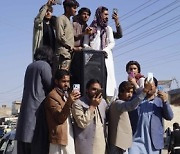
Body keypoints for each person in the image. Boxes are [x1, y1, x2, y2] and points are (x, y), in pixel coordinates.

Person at [15, 46, 53, 154]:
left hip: (25, 119)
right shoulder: (44, 66)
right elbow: (50, 85)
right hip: (37, 112)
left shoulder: (30, 66)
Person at [128, 77, 174, 154]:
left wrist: (165, 101)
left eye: (151, 86)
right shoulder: (137, 100)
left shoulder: (159, 101)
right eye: (147, 85)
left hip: (153, 144)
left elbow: (169, 116)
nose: (149, 88)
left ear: (156, 87)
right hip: (136, 142)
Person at [108, 81, 152, 154]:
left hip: (120, 143)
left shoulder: (118, 103)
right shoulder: (118, 104)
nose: (130, 95)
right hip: (119, 144)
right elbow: (131, 105)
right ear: (121, 92)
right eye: (128, 92)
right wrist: (144, 91)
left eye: (131, 92)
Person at [45, 69, 81, 154]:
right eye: (63, 81)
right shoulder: (52, 96)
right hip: (59, 138)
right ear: (56, 81)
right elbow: (60, 119)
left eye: (68, 81)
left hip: (69, 134)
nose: (66, 84)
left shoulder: (66, 94)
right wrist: (69, 102)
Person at [83, 6, 116, 99]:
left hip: (105, 58)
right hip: (93, 60)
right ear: (99, 14)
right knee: (93, 81)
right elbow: (85, 44)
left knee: (107, 80)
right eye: (105, 14)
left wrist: (104, 51)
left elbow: (112, 42)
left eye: (107, 15)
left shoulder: (108, 28)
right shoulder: (90, 28)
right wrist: (93, 52)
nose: (107, 17)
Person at [72, 79, 108, 154]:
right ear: (87, 90)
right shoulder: (78, 103)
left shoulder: (103, 102)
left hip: (101, 145)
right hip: (85, 146)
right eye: (94, 89)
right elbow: (82, 123)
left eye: (98, 90)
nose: (96, 92)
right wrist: (92, 106)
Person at [55, 0, 79, 71]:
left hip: (68, 54)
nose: (76, 10)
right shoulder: (61, 19)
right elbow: (60, 36)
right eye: (74, 8)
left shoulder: (69, 20)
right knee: (61, 77)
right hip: (62, 55)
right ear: (67, 8)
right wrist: (72, 47)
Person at [70, 7, 92, 85]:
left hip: (83, 54)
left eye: (88, 15)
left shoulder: (87, 26)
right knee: (74, 76)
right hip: (74, 53)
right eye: (84, 14)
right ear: (79, 15)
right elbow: (74, 37)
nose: (86, 16)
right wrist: (84, 33)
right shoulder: (74, 24)